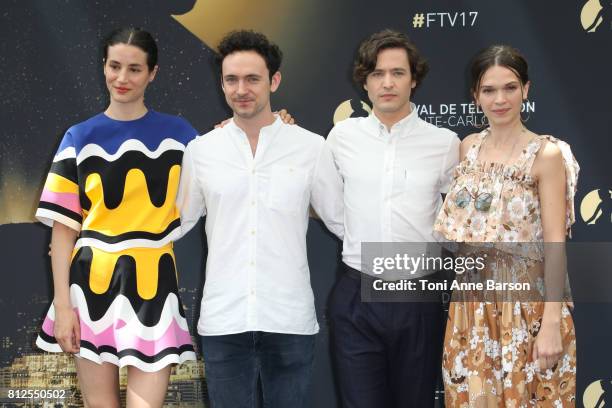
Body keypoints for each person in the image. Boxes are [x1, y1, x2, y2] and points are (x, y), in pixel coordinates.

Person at [176, 30, 344, 408]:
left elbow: (342, 220)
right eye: (231, 79)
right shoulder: (202, 150)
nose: (241, 89)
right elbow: (178, 221)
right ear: (221, 83)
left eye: (252, 78)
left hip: (289, 320)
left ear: (274, 80)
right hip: (224, 321)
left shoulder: (310, 147)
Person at [34, 28, 199, 407]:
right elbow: (62, 234)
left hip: (156, 284)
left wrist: (276, 123)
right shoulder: (79, 137)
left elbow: (227, 165)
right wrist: (63, 307)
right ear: (103, 67)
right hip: (88, 287)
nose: (122, 78)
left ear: (152, 73)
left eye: (135, 69)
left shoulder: (183, 135)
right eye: (114, 66)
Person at [433, 45, 579, 406]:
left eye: (510, 87)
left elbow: (555, 243)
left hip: (528, 307)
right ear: (475, 96)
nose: (500, 99)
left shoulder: (546, 155)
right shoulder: (469, 148)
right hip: (471, 308)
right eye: (489, 90)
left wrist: (549, 325)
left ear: (526, 89)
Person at [324, 29, 460, 408]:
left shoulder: (445, 144)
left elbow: (458, 217)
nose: (387, 82)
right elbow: (330, 205)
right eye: (378, 73)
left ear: (413, 79)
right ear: (364, 81)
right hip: (356, 292)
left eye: (398, 73)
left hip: (418, 293)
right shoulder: (341, 138)